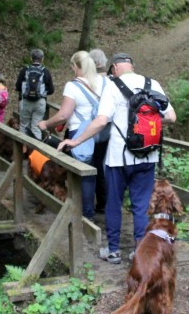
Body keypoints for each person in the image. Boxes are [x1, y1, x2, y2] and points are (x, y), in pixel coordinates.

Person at [58, 53, 176, 264]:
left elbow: (101, 121)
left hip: (119, 157)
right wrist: (146, 122)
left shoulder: (112, 86)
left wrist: (76, 141)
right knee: (140, 206)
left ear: (114, 68)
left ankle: (113, 251)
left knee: (114, 203)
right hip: (147, 155)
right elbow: (171, 117)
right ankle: (139, 251)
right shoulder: (153, 84)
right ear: (132, 66)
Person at [37, 51, 100, 219]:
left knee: (81, 175)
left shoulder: (73, 86)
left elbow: (64, 114)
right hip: (100, 132)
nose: (72, 70)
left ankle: (84, 215)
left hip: (79, 133)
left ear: (77, 66)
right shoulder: (102, 82)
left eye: (72, 67)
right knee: (97, 172)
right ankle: (98, 208)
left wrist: (46, 124)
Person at [88, 49, 110, 214]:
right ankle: (105, 201)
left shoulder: (89, 82)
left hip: (93, 129)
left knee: (92, 165)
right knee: (104, 164)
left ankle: (89, 204)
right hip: (111, 129)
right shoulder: (113, 82)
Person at [15, 49, 54, 140]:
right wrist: (42, 93)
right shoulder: (45, 71)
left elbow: (18, 87)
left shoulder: (25, 70)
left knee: (24, 126)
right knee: (36, 127)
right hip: (40, 103)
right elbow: (51, 90)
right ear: (42, 59)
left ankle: (22, 147)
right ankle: (35, 148)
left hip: (26, 102)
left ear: (31, 58)